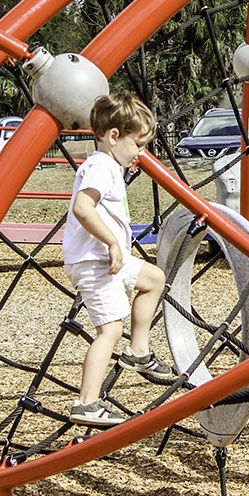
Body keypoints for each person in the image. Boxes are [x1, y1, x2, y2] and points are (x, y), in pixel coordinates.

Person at [63, 91, 172, 427]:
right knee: (109, 329)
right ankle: (87, 403)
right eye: (137, 145)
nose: (141, 154)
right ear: (113, 136)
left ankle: (138, 352)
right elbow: (83, 208)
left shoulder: (106, 164)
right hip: (95, 261)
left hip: (107, 259)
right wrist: (111, 242)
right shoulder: (102, 166)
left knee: (154, 280)